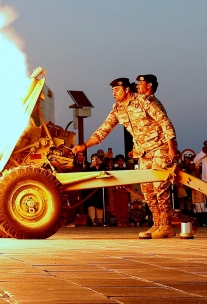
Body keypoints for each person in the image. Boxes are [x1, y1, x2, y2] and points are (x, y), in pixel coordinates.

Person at [73, 77, 178, 239]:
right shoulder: (117, 109)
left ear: (127, 90)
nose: (114, 93)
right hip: (143, 152)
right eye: (112, 91)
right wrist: (85, 146)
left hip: (160, 147)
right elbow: (103, 130)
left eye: (117, 90)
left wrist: (171, 148)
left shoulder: (144, 101)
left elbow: (164, 122)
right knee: (147, 190)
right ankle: (157, 223)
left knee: (159, 187)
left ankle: (166, 225)